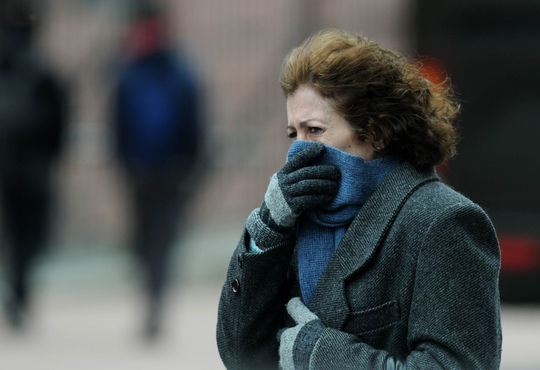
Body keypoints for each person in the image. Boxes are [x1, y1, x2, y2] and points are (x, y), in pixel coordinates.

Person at [216, 29, 501, 369]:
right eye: (294, 133)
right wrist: (267, 228)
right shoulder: (294, 221)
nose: (299, 149)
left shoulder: (443, 222)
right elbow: (241, 355)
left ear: (375, 132)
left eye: (315, 130)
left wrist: (320, 352)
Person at [113, 1, 202, 339]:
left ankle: (155, 301)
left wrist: (189, 165)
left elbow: (194, 122)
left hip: (170, 172)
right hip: (139, 172)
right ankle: (150, 294)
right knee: (141, 240)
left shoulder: (180, 71)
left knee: (161, 240)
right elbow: (118, 124)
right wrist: (124, 163)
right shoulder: (128, 71)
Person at [0, 0, 68, 331]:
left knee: (21, 236)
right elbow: (58, 125)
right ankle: (18, 290)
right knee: (28, 237)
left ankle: (16, 291)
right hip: (31, 170)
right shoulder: (41, 73)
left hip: (21, 168)